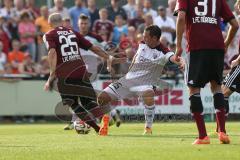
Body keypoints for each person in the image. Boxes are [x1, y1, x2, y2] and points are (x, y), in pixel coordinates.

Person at [43, 13, 125, 135]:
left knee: (74, 104)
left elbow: (52, 52)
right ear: (61, 22)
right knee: (88, 102)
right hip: (81, 71)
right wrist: (108, 57)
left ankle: (97, 128)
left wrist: (51, 74)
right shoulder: (73, 32)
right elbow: (93, 48)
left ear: (49, 24)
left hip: (65, 74)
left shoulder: (49, 35)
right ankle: (103, 118)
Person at [97, 25, 184, 135]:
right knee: (102, 98)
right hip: (128, 80)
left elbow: (174, 58)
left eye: (146, 37)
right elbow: (136, 57)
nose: (143, 38)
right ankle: (107, 121)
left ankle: (148, 128)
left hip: (145, 83)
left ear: (154, 38)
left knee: (149, 94)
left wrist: (181, 61)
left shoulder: (164, 52)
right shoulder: (142, 43)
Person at [175, 0, 239, 144]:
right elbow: (235, 25)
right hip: (217, 48)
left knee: (193, 89)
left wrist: (178, 46)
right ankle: (222, 132)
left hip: (197, 47)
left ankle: (203, 136)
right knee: (217, 87)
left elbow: (180, 17)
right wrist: (226, 44)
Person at [64, 14, 122, 130]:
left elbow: (109, 48)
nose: (84, 25)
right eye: (82, 23)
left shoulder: (96, 38)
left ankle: (75, 121)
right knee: (89, 96)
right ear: (78, 24)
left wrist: (109, 61)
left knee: (80, 95)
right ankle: (113, 112)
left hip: (90, 69)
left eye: (85, 23)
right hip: (76, 69)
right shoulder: (73, 36)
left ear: (89, 24)